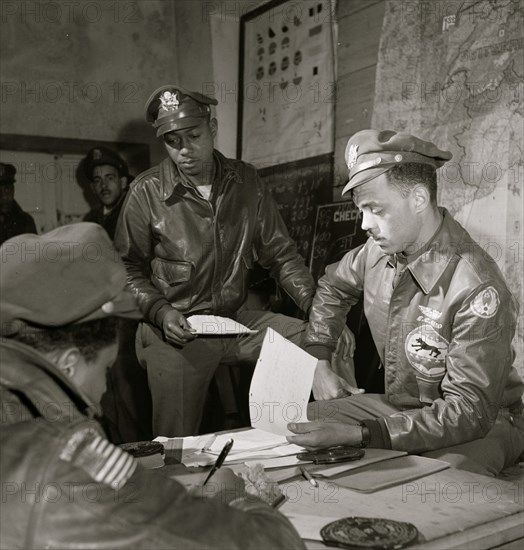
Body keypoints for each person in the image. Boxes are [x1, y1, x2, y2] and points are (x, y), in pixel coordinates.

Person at [0, 223, 305, 550]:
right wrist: (231, 496)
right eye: (106, 370)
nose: (103, 398)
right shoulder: (67, 463)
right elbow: (276, 543)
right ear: (68, 364)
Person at [114, 84, 355, 437]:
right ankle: (177, 486)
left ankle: (329, 438)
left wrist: (321, 316)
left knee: (324, 338)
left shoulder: (246, 182)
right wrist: (161, 312)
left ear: (212, 129)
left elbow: (281, 255)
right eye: (172, 142)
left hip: (233, 321)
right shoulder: (146, 192)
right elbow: (126, 268)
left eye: (193, 136)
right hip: (174, 331)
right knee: (177, 444)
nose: (184, 151)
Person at [287, 129, 524, 476]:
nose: (365, 224)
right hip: (403, 409)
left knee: (437, 481)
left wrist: (361, 434)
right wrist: (319, 358)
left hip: (483, 421)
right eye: (360, 210)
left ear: (417, 199)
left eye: (374, 209)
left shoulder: (476, 285)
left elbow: (469, 412)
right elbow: (332, 287)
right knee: (301, 424)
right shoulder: (376, 252)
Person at [83, 146, 130, 240]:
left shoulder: (135, 214)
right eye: (97, 180)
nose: (103, 185)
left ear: (123, 182)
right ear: (92, 188)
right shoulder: (91, 220)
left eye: (110, 178)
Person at [0, 162, 37, 246]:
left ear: (13, 190)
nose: (3, 196)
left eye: (6, 189)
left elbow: (35, 254)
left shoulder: (26, 221)